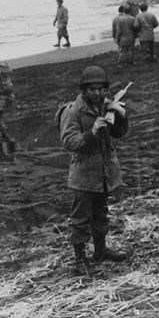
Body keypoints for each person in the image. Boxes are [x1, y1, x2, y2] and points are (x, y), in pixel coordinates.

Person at [59, 65, 129, 276]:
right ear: (84, 90)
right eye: (92, 89)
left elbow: (118, 133)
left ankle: (100, 250)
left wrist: (121, 114)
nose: (97, 93)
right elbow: (69, 141)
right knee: (80, 218)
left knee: (101, 213)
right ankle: (80, 258)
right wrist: (92, 132)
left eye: (101, 89)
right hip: (83, 173)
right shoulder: (73, 111)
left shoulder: (105, 106)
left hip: (104, 171)